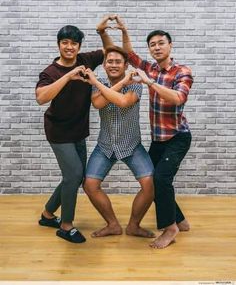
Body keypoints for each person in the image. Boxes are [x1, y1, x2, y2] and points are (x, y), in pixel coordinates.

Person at [101, 15, 193, 249]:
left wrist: (150, 83)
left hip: (177, 137)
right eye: (152, 44)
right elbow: (129, 54)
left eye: (161, 43)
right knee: (153, 180)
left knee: (162, 178)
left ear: (170, 45)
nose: (157, 47)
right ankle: (180, 220)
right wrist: (124, 30)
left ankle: (170, 228)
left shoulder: (182, 71)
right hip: (158, 139)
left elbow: (178, 98)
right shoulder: (149, 67)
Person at [83, 17, 155, 238]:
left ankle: (134, 225)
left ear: (126, 65)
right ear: (104, 65)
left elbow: (123, 102)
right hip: (105, 145)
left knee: (149, 185)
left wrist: (96, 81)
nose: (113, 64)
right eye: (109, 61)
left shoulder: (135, 82)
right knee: (90, 185)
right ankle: (112, 224)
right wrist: (99, 83)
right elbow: (98, 103)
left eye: (118, 62)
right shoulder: (101, 86)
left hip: (131, 145)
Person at [35, 25, 104, 243]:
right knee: (73, 176)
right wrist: (69, 76)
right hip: (58, 131)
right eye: (65, 42)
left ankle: (47, 215)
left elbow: (112, 52)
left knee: (74, 176)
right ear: (59, 44)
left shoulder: (86, 59)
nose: (69, 47)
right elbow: (41, 98)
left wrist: (105, 32)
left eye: (74, 43)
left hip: (78, 131)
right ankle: (65, 226)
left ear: (79, 46)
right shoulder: (50, 72)